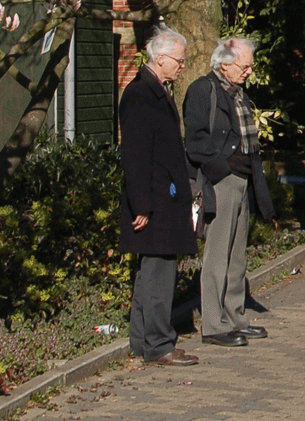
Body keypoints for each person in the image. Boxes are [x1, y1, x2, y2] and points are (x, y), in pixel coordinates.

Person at [184, 36, 275, 348]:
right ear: (224, 63)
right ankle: (213, 324)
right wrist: (222, 170)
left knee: (237, 255)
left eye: (250, 65)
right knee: (217, 254)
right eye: (244, 65)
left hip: (241, 180)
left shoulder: (239, 94)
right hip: (221, 181)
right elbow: (196, 139)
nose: (249, 71)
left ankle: (235, 316)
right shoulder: (202, 90)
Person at [118, 26, 199, 366]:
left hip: (161, 200)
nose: (182, 67)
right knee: (158, 275)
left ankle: (143, 340)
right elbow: (135, 155)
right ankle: (158, 344)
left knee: (152, 271)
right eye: (179, 61)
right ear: (161, 58)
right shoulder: (140, 95)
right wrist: (143, 205)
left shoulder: (156, 91)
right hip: (154, 202)